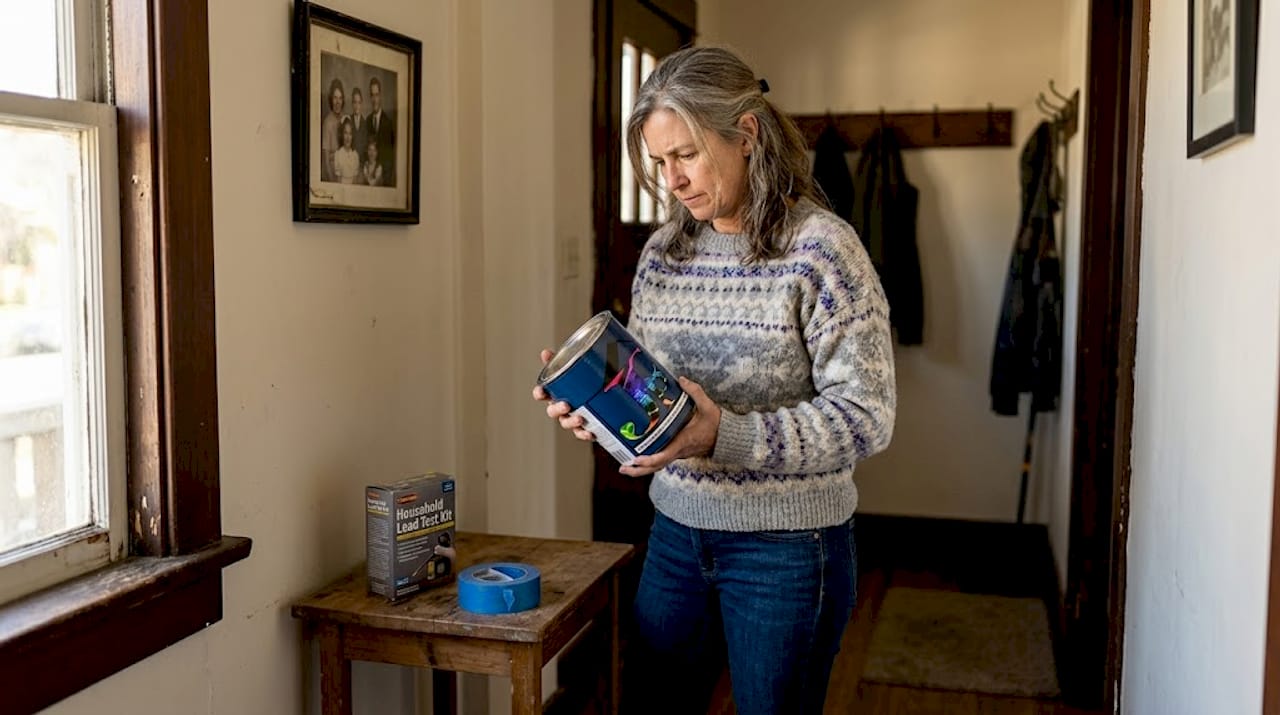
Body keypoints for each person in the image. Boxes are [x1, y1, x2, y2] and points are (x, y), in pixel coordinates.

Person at [532, 46, 896, 715]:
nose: (671, 180)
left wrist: (721, 433)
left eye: (686, 155)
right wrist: (596, 415)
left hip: (788, 550)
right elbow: (655, 406)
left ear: (747, 135)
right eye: (659, 161)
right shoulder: (662, 255)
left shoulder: (822, 250)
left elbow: (865, 415)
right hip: (675, 533)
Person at [366, 76, 395, 186]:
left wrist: (385, 183)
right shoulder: (368, 121)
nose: (374, 99)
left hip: (383, 182)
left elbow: (390, 158)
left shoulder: (388, 123)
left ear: (381, 96)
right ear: (370, 97)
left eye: (377, 95)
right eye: (372, 95)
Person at [320, 78, 345, 182]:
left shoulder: (345, 119)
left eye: (340, 98)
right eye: (335, 98)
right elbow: (325, 160)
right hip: (331, 172)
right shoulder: (327, 122)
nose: (337, 102)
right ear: (331, 99)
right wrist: (332, 183)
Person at [333, 118, 361, 184]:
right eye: (345, 133)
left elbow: (355, 180)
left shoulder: (355, 155)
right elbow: (338, 180)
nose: (348, 137)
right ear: (342, 135)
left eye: (350, 134)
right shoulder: (338, 154)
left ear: (352, 136)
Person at [349, 86, 369, 159]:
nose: (357, 106)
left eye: (359, 102)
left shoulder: (366, 123)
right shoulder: (348, 121)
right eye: (355, 102)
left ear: (361, 104)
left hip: (362, 162)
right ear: (352, 103)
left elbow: (366, 148)